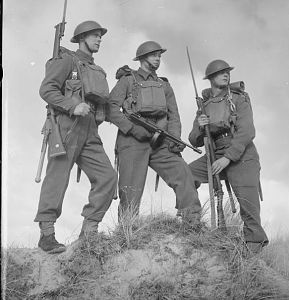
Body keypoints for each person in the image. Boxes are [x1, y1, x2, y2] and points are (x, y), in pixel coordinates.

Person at [34, 21, 117, 254]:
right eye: (94, 35)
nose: (99, 39)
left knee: (107, 177)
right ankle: (47, 235)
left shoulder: (96, 69)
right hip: (68, 125)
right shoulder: (66, 60)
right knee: (57, 178)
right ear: (81, 38)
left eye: (100, 36)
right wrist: (72, 106)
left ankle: (89, 231)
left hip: (90, 129)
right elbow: (47, 89)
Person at [108, 41, 202, 222]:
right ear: (142, 58)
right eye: (154, 55)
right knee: (131, 189)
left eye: (159, 56)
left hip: (160, 140)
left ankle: (192, 220)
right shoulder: (128, 80)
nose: (158, 59)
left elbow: (173, 115)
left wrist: (175, 138)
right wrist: (133, 129)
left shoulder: (164, 85)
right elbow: (111, 108)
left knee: (182, 173)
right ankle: (128, 229)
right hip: (132, 141)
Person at [188, 59, 268, 254]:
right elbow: (193, 139)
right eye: (220, 72)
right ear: (210, 79)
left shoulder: (239, 99)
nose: (225, 75)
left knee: (249, 208)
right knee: (185, 174)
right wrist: (200, 126)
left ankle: (252, 251)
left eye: (227, 72)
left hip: (241, 156)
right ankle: (191, 222)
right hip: (215, 153)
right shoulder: (204, 106)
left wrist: (227, 159)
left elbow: (247, 132)